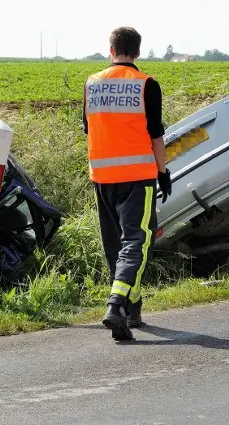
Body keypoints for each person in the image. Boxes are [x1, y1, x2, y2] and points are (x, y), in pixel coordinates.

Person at [82, 26, 172, 341]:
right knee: (137, 241)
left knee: (115, 247)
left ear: (111, 50)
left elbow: (88, 128)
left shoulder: (91, 84)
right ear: (137, 52)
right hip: (137, 177)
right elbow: (156, 135)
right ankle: (116, 305)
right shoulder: (146, 84)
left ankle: (131, 310)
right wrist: (162, 171)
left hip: (102, 177)